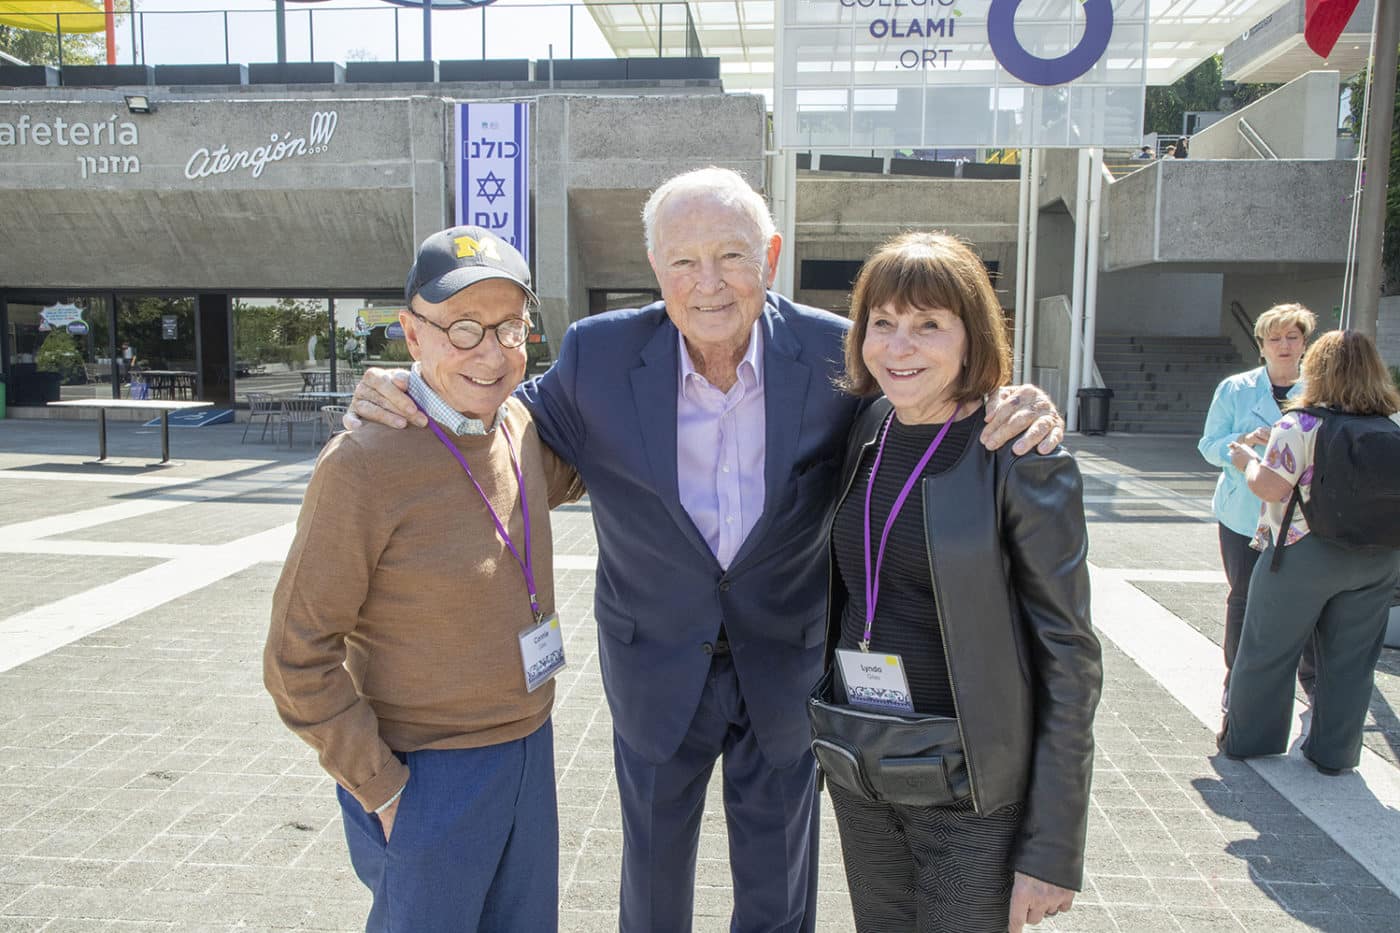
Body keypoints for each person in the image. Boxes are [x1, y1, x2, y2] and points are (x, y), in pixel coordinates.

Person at [346, 167, 1064, 932]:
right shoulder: (599, 356)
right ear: (656, 267)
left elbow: (926, 396)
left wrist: (1011, 401)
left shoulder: (838, 355)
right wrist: (413, 389)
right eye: (684, 261)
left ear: (771, 256)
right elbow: (495, 418)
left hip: (784, 667)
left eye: (731, 256)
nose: (708, 283)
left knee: (778, 895)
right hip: (653, 667)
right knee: (653, 891)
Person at [264, 226, 584, 932]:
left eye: (510, 327)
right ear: (411, 334)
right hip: (427, 771)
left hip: (529, 748)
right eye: (463, 328)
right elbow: (295, 656)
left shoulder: (518, 426)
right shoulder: (362, 463)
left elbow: (598, 464)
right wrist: (382, 788)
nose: (491, 352)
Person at [819, 232, 1102, 932]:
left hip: (970, 790)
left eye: (928, 325)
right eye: (882, 322)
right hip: (865, 764)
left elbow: (1069, 658)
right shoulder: (868, 426)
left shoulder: (1020, 455)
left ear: (972, 335)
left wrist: (1053, 848)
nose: (899, 346)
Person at [1221, 330, 1400, 775]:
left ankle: (1251, 741)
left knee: (1268, 651)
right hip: (1378, 557)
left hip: (1303, 553)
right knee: (1352, 662)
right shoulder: (1391, 426)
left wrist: (1246, 461)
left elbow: (1270, 487)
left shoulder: (1299, 424)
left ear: (1315, 370)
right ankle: (1335, 753)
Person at [1199, 303, 1317, 707]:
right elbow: (1208, 445)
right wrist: (1242, 443)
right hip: (1243, 514)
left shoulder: (1319, 390)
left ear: (1304, 343)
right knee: (1244, 596)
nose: (1284, 346)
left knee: (1307, 600)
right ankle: (1236, 680)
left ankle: (1312, 683)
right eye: (1274, 338)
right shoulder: (1235, 389)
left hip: (1301, 518)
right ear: (1261, 345)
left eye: (1292, 337)